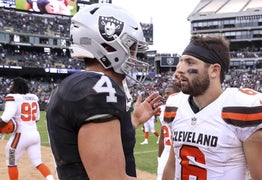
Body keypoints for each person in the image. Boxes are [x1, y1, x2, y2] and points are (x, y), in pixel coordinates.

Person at [46, 3, 162, 179]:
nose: (134, 58)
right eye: (131, 50)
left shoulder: (82, 85)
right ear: (108, 47)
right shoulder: (98, 89)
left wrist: (134, 121)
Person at [162, 34, 262, 180]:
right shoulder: (176, 105)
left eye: (190, 63)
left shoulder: (242, 109)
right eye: (181, 62)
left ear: (214, 70)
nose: (179, 70)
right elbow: (173, 164)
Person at [0, 77, 54, 180]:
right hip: (35, 135)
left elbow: (5, 119)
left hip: (21, 135)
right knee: (38, 162)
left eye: (12, 84)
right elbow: (37, 118)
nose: (10, 86)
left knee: (11, 162)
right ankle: (50, 178)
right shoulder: (33, 97)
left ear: (16, 87)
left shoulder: (13, 97)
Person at [156, 84, 182, 180]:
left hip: (178, 151)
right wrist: (159, 156)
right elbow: (162, 135)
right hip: (166, 152)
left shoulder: (183, 110)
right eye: (165, 93)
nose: (165, 96)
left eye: (168, 93)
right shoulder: (163, 110)